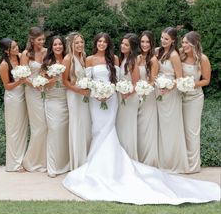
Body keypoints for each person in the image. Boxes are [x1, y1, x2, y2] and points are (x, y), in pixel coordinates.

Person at [62, 32, 220, 205]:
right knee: (97, 129)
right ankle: (95, 160)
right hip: (97, 99)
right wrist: (97, 92)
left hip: (116, 98)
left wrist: (115, 92)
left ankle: (113, 162)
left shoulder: (117, 59)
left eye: (105, 41)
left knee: (109, 129)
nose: (102, 43)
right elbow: (87, 79)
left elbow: (125, 80)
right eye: (99, 41)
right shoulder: (90, 59)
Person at [156, 27, 189, 173]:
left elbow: (179, 78)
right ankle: (162, 160)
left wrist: (168, 87)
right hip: (159, 93)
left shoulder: (174, 55)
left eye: (166, 39)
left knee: (171, 127)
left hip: (171, 94)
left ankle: (173, 162)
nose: (163, 41)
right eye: (162, 37)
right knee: (162, 128)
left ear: (173, 41)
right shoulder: (159, 52)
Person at [180, 31, 211, 173]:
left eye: (186, 42)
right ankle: (181, 162)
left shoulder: (202, 59)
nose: (183, 45)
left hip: (194, 98)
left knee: (192, 131)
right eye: (183, 42)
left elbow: (206, 80)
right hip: (179, 97)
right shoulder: (181, 55)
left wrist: (191, 84)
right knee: (180, 130)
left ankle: (193, 166)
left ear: (194, 44)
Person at [62, 32, 91, 170]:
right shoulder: (68, 59)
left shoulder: (84, 57)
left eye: (81, 42)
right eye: (76, 43)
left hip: (85, 96)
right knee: (77, 124)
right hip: (74, 95)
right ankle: (77, 162)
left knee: (85, 125)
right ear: (71, 44)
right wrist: (78, 90)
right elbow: (65, 81)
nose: (80, 45)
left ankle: (86, 158)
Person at [0, 38, 28, 172]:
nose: (17, 49)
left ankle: (21, 160)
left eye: (17, 46)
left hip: (23, 96)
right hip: (13, 98)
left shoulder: (20, 57)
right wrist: (20, 81)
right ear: (6, 51)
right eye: (14, 47)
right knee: (14, 130)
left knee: (22, 129)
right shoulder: (4, 65)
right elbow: (7, 86)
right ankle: (13, 164)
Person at [42, 36, 69, 177]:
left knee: (65, 133)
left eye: (60, 44)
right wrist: (54, 77)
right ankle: (53, 167)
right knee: (54, 130)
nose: (58, 47)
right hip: (52, 100)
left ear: (63, 46)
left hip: (67, 99)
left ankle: (66, 164)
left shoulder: (68, 59)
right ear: (51, 47)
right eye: (55, 45)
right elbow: (43, 83)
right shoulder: (47, 62)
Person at [20, 26, 47, 172]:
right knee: (39, 126)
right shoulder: (26, 54)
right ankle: (30, 161)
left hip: (45, 90)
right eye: (39, 39)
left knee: (46, 125)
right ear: (32, 40)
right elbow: (22, 76)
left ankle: (43, 160)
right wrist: (34, 84)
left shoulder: (46, 51)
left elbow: (47, 70)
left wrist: (43, 81)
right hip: (31, 91)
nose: (42, 41)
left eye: (43, 39)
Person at [116, 33, 140, 160]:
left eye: (126, 44)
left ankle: (130, 157)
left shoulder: (132, 61)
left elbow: (136, 84)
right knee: (122, 126)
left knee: (128, 127)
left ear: (132, 48)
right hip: (122, 97)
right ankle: (122, 156)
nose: (122, 46)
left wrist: (127, 93)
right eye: (122, 43)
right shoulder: (123, 59)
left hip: (130, 98)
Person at [137, 31, 159, 167]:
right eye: (142, 42)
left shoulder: (153, 60)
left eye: (147, 42)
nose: (145, 45)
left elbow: (152, 81)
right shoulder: (138, 57)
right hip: (137, 96)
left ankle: (149, 160)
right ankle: (139, 157)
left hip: (148, 96)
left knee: (147, 127)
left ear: (151, 44)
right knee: (139, 128)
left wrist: (143, 92)